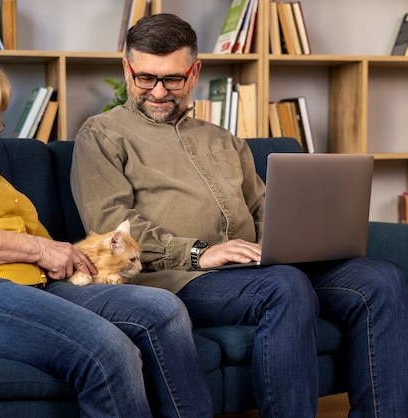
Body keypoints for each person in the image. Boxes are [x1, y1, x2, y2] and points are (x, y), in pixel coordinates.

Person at [70, 13, 408, 418]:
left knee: (381, 278)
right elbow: (113, 223)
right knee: (285, 286)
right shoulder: (102, 135)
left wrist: (287, 241)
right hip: (182, 277)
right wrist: (200, 253)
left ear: (194, 73)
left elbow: (263, 208)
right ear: (128, 70)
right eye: (146, 78)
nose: (158, 92)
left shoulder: (224, 139)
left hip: (255, 264)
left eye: (172, 79)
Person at [0, 51, 213, 418]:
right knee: (107, 348)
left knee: (163, 309)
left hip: (32, 288)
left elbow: (52, 252)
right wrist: (37, 248)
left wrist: (73, 258)